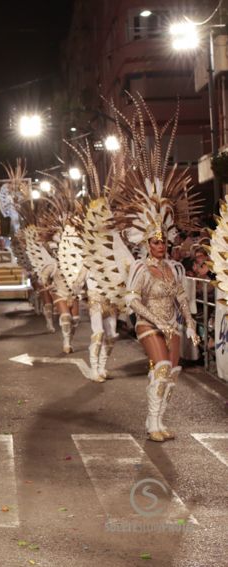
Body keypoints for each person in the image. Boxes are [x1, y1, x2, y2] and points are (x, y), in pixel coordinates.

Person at [119, 95, 199, 443]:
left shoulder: (174, 269)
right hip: (149, 323)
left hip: (173, 322)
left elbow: (182, 297)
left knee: (173, 373)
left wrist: (191, 325)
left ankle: (161, 420)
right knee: (161, 366)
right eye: (155, 242)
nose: (161, 246)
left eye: (163, 242)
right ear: (146, 244)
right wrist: (157, 321)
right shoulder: (140, 268)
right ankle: (151, 422)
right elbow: (131, 298)